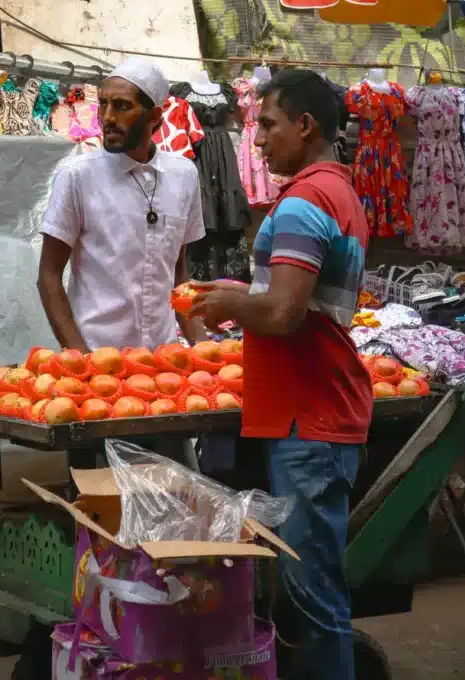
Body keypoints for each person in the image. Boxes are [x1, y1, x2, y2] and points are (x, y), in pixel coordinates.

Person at [191, 68, 373, 680]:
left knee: (312, 603)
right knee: (311, 597)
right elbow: (300, 298)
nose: (257, 138)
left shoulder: (304, 200)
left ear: (306, 125)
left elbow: (283, 312)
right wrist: (240, 291)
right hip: (314, 411)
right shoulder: (337, 190)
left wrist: (230, 304)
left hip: (308, 418)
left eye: (267, 124)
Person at [39, 56, 205, 353]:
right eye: (103, 104)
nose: (107, 117)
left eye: (122, 106)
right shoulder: (78, 176)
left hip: (163, 362)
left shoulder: (184, 176)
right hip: (97, 359)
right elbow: (48, 277)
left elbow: (179, 275)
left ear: (155, 116)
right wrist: (83, 360)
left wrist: (204, 348)